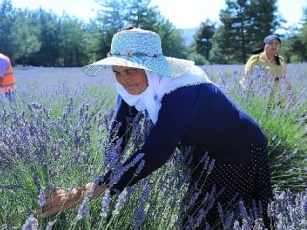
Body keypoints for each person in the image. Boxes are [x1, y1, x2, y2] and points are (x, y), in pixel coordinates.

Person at [35, 29, 273, 228]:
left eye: (130, 71)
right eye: (117, 72)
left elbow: (154, 153)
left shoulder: (182, 89)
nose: (124, 79)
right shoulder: (134, 88)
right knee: (197, 215)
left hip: (237, 149)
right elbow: (120, 129)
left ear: (152, 68)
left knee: (228, 219)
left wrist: (82, 193)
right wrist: (107, 169)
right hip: (201, 154)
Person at [243, 35, 293, 105]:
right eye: (271, 43)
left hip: (280, 93)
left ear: (279, 46)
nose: (274, 45)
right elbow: (247, 75)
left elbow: (285, 77)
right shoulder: (256, 58)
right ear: (264, 45)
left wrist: (290, 90)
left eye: (276, 43)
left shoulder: (280, 59)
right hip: (262, 93)